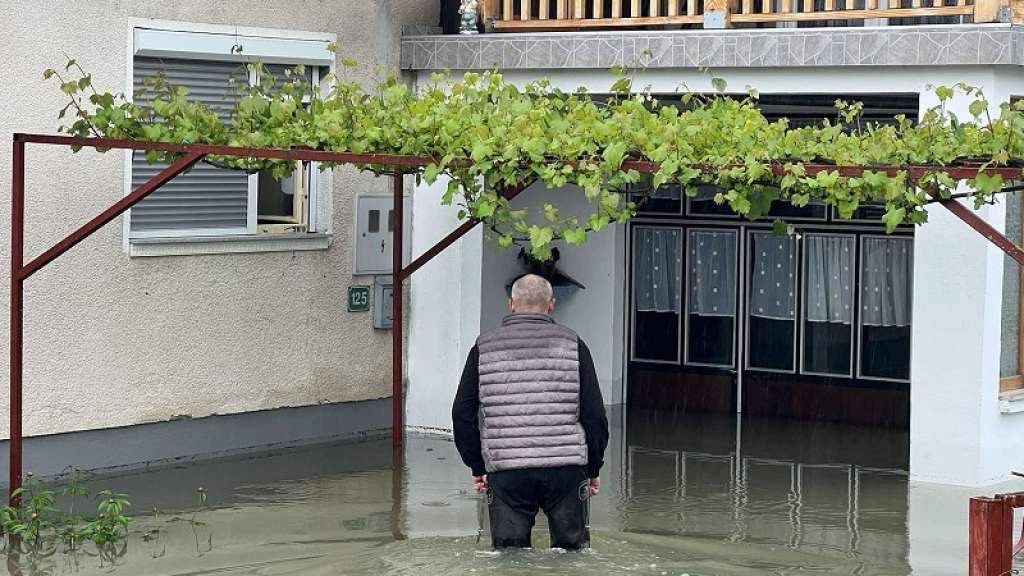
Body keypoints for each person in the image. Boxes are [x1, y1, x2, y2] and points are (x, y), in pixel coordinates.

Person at [452, 274, 609, 550]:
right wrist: (593, 467)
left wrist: (478, 465)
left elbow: (462, 413)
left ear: (510, 304)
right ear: (551, 305)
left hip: (507, 471)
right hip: (566, 469)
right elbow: (594, 415)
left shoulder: (483, 347)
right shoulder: (573, 344)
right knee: (572, 555)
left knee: (509, 557)